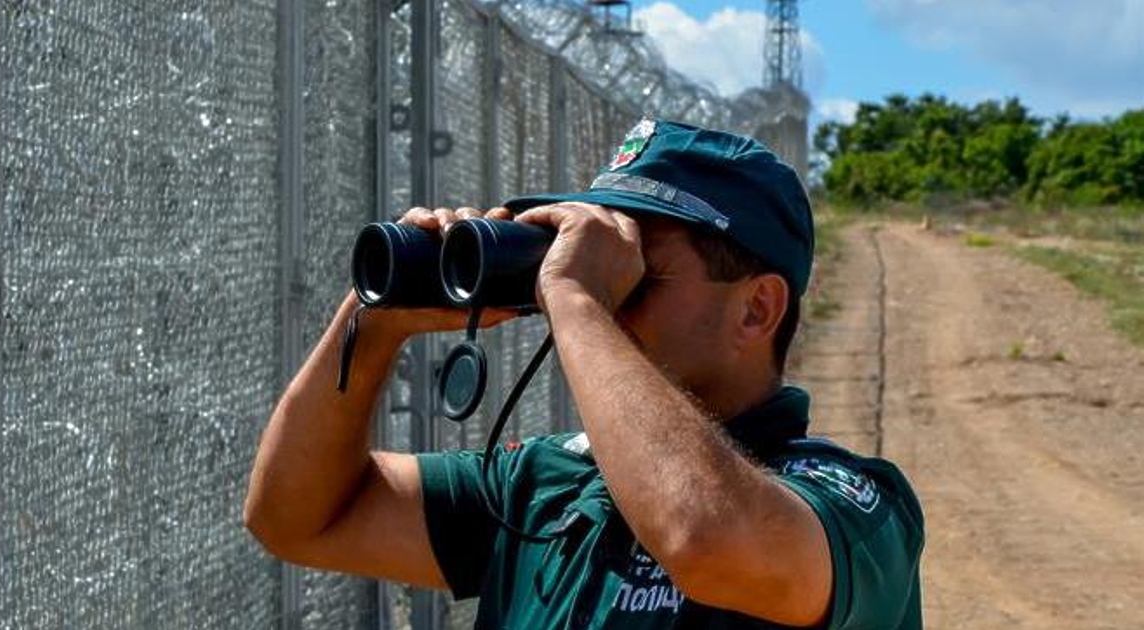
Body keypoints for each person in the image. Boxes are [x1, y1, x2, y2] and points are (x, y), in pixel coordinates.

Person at [245, 119, 924, 629]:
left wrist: (576, 297)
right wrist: (372, 325)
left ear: (757, 309)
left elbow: (705, 536)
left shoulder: (856, 506)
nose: (599, 287)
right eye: (598, 260)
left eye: (637, 272)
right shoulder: (543, 485)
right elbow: (296, 518)